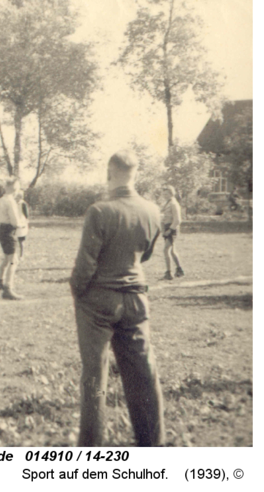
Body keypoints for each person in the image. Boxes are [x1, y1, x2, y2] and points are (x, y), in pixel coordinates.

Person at [70, 150, 165, 447]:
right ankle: (153, 443)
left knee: (95, 377)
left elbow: (86, 264)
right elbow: (146, 254)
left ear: (109, 174)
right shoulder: (153, 210)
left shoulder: (99, 210)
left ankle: (92, 446)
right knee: (143, 372)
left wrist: (78, 291)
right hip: (136, 298)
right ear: (135, 175)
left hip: (98, 301)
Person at [0, 178, 24, 300]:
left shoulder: (1, 200)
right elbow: (15, 221)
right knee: (13, 260)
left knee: (7, 258)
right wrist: (21, 224)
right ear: (15, 188)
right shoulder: (10, 201)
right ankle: (8, 288)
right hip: (9, 231)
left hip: (1, 230)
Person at [160, 185, 184, 280]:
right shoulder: (168, 203)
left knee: (166, 250)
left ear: (171, 193)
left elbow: (178, 220)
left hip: (172, 229)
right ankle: (179, 270)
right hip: (167, 228)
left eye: (166, 194)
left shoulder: (174, 204)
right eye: (164, 194)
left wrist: (170, 230)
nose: (165, 195)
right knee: (172, 251)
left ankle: (168, 273)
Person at [14, 190, 29, 258]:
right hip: (14, 222)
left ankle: (21, 255)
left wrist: (23, 222)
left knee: (21, 240)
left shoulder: (23, 204)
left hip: (21, 223)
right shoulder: (13, 203)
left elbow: (26, 215)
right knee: (13, 240)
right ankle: (13, 254)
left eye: (17, 196)